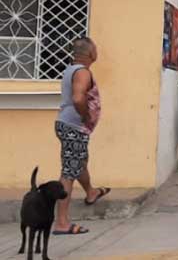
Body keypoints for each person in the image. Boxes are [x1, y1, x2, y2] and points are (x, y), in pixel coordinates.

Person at [53, 38, 111, 236]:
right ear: (90, 54)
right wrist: (86, 115)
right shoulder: (83, 72)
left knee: (80, 161)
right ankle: (61, 223)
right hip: (74, 126)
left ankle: (91, 192)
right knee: (69, 171)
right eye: (96, 49)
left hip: (68, 125)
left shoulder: (71, 69)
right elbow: (78, 98)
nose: (97, 52)